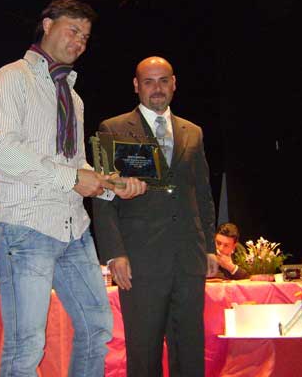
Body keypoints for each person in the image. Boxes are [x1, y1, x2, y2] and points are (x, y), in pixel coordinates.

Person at [0, 0, 147, 377]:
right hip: (25, 227)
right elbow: (2, 150)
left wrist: (110, 186)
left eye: (86, 37)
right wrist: (74, 178)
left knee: (97, 326)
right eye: (73, 30)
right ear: (46, 24)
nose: (79, 42)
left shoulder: (72, 96)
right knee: (27, 344)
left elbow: (76, 164)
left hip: (74, 230)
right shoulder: (11, 77)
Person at [92, 56, 219, 377]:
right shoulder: (114, 128)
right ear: (136, 86)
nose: (157, 88)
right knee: (144, 352)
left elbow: (202, 194)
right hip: (140, 262)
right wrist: (114, 254)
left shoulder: (194, 132)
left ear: (174, 83)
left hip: (189, 259)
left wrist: (209, 248)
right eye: (149, 81)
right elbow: (104, 198)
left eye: (163, 80)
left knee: (190, 350)